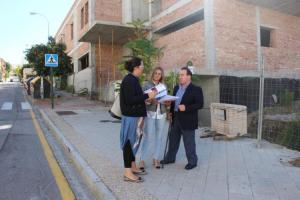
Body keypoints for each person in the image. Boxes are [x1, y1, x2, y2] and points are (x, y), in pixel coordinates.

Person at [119, 57, 157, 183]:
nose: (143, 68)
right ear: (136, 68)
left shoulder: (133, 79)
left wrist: (144, 99)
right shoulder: (129, 80)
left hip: (135, 116)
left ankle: (133, 166)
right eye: (142, 66)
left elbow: (135, 98)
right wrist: (147, 95)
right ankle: (127, 172)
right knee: (129, 144)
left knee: (134, 142)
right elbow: (130, 100)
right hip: (131, 117)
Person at [160, 67, 203, 170]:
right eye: (179, 75)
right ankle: (170, 158)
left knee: (189, 141)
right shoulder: (176, 88)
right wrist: (170, 113)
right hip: (175, 117)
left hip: (188, 119)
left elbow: (200, 104)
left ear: (189, 76)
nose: (180, 77)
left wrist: (186, 108)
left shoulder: (196, 89)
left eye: (182, 75)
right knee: (173, 139)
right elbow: (173, 102)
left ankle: (192, 162)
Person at [139, 67, 168, 169]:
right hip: (150, 112)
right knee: (148, 136)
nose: (157, 75)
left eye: (159, 74)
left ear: (161, 75)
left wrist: (167, 101)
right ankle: (142, 160)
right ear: (152, 74)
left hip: (161, 113)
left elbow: (165, 99)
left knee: (159, 137)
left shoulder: (163, 86)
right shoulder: (146, 85)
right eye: (155, 73)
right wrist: (150, 101)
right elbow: (142, 100)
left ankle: (156, 158)